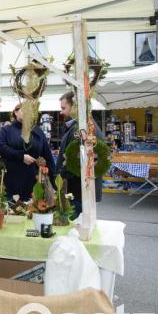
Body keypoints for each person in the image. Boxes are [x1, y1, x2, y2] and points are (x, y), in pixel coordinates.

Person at [55, 91, 104, 219]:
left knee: (73, 227)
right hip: (84, 189)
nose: (61, 112)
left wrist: (59, 180)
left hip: (78, 190)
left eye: (63, 108)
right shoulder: (87, 124)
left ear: (75, 107)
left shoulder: (80, 128)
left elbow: (73, 163)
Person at [0, 102, 56, 202]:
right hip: (10, 179)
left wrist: (55, 183)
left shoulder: (37, 132)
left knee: (32, 207)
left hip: (32, 182)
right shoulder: (7, 130)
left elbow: (48, 156)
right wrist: (21, 156)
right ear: (16, 112)